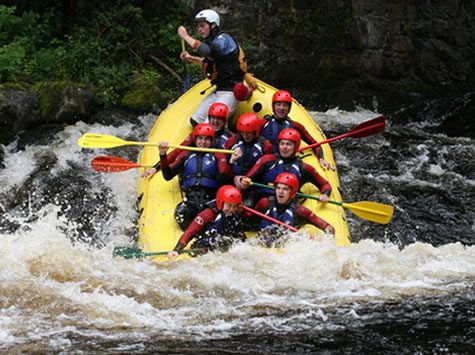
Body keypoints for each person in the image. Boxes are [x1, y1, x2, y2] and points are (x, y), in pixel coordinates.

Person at [178, 9, 248, 126]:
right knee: (196, 120)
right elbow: (209, 63)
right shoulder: (213, 42)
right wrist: (190, 58)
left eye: (202, 26)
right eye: (198, 26)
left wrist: (185, 36)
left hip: (231, 92)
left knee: (210, 126)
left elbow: (206, 51)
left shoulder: (224, 39)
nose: (199, 29)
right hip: (219, 89)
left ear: (213, 25)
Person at [158, 123, 230, 230]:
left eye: (206, 139)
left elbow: (223, 180)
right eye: (200, 138)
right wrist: (163, 156)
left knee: (218, 221)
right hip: (191, 200)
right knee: (181, 214)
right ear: (195, 140)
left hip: (209, 200)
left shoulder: (218, 156)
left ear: (212, 141)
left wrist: (230, 161)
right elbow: (168, 176)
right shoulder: (186, 155)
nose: (203, 142)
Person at [234, 128, 332, 205]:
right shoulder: (267, 160)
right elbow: (248, 178)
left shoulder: (304, 168)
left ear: (296, 146)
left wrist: (325, 195)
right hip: (262, 201)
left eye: (288, 144)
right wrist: (244, 181)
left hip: (287, 205)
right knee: (249, 204)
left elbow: (325, 185)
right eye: (282, 144)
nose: (284, 147)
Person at [143, 103, 234, 178]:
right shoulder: (198, 133)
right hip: (195, 169)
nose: (215, 121)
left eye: (219, 119)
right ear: (209, 118)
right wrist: (155, 167)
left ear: (225, 121)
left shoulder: (231, 138)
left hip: (216, 175)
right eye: (213, 118)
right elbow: (178, 150)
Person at [251, 173, 334, 247]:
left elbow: (328, 227)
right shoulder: (264, 203)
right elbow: (249, 220)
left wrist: (326, 240)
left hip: (286, 249)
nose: (280, 192)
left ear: (292, 192)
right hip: (262, 244)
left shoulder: (300, 211)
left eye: (285, 189)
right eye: (278, 188)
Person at [168, 185, 246, 258]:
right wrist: (177, 249)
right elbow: (190, 232)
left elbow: (239, 232)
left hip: (223, 243)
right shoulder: (208, 213)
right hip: (205, 246)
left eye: (235, 206)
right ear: (221, 203)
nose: (232, 209)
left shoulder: (234, 213)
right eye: (229, 205)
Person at [258, 90, 330, 169]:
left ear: (289, 108)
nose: (281, 108)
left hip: (286, 163)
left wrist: (321, 159)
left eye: (285, 105)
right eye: (278, 105)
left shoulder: (296, 126)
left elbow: (314, 144)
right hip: (264, 161)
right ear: (273, 106)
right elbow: (246, 137)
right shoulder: (263, 123)